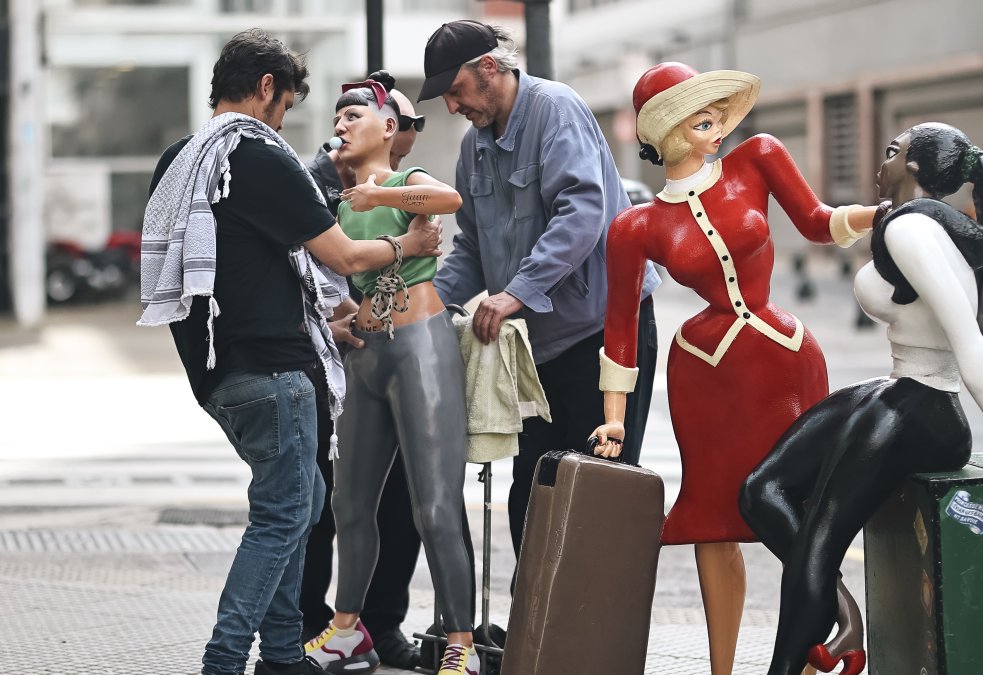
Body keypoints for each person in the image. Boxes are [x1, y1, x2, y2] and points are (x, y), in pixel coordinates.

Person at [738, 122, 983, 675]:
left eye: (891, 152)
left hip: (927, 411)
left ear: (913, 167)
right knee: (761, 491)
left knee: (818, 540)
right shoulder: (916, 223)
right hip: (903, 391)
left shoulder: (914, 232)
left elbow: (967, 336)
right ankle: (842, 613)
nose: (879, 163)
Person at [139, 30, 441, 675]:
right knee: (283, 517)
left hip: (217, 371)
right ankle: (224, 660)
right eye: (287, 106)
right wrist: (408, 247)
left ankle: (282, 656)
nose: (284, 123)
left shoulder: (181, 159)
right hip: (273, 370)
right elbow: (346, 255)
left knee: (297, 509)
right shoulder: (256, 154)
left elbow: (238, 271)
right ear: (267, 87)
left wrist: (322, 322)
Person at [589, 62, 878, 675]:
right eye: (701, 121)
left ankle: (815, 645)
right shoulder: (636, 226)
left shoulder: (758, 158)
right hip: (705, 373)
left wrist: (879, 215)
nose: (717, 130)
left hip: (784, 357)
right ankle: (722, 667)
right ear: (666, 132)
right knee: (714, 518)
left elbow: (818, 222)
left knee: (801, 507)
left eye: (717, 118)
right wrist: (614, 417)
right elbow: (619, 331)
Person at [417, 20, 661, 560]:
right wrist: (425, 308)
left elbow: (582, 212)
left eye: (455, 91)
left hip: (605, 332)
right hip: (538, 346)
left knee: (596, 491)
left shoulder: (556, 108)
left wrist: (515, 293)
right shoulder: (473, 147)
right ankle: (535, 613)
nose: (452, 107)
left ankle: (592, 614)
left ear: (488, 68)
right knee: (532, 493)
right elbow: (472, 246)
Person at [301, 74, 479, 675]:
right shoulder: (337, 206)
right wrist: (340, 313)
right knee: (349, 504)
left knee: (435, 506)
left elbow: (449, 201)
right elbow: (333, 271)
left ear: (389, 128)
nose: (341, 125)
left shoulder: (406, 182)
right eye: (337, 117)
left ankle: (460, 642)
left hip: (420, 345)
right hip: (365, 354)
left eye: (353, 115)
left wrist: (382, 197)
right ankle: (346, 632)